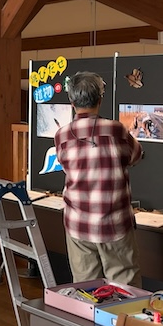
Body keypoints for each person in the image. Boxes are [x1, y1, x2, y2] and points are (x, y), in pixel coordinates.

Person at [54, 71, 144, 286]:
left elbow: (65, 165)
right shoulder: (116, 130)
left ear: (72, 102)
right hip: (115, 223)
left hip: (78, 223)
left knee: (86, 288)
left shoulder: (62, 135)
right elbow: (136, 155)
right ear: (100, 100)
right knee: (125, 288)